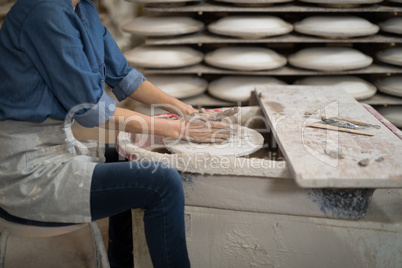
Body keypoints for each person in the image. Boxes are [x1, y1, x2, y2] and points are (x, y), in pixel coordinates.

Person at [0, 0, 230, 267]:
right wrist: (178, 129)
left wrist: (184, 110)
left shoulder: (82, 8)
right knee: (162, 182)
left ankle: (122, 263)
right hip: (26, 171)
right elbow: (91, 111)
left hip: (58, 148)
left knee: (128, 158)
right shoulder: (45, 11)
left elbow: (123, 76)